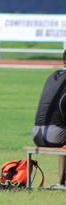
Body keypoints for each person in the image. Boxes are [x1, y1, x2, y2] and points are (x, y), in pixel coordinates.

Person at [32, 50, 66, 185]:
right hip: (54, 135)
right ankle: (63, 181)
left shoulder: (53, 76)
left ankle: (63, 180)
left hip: (36, 134)